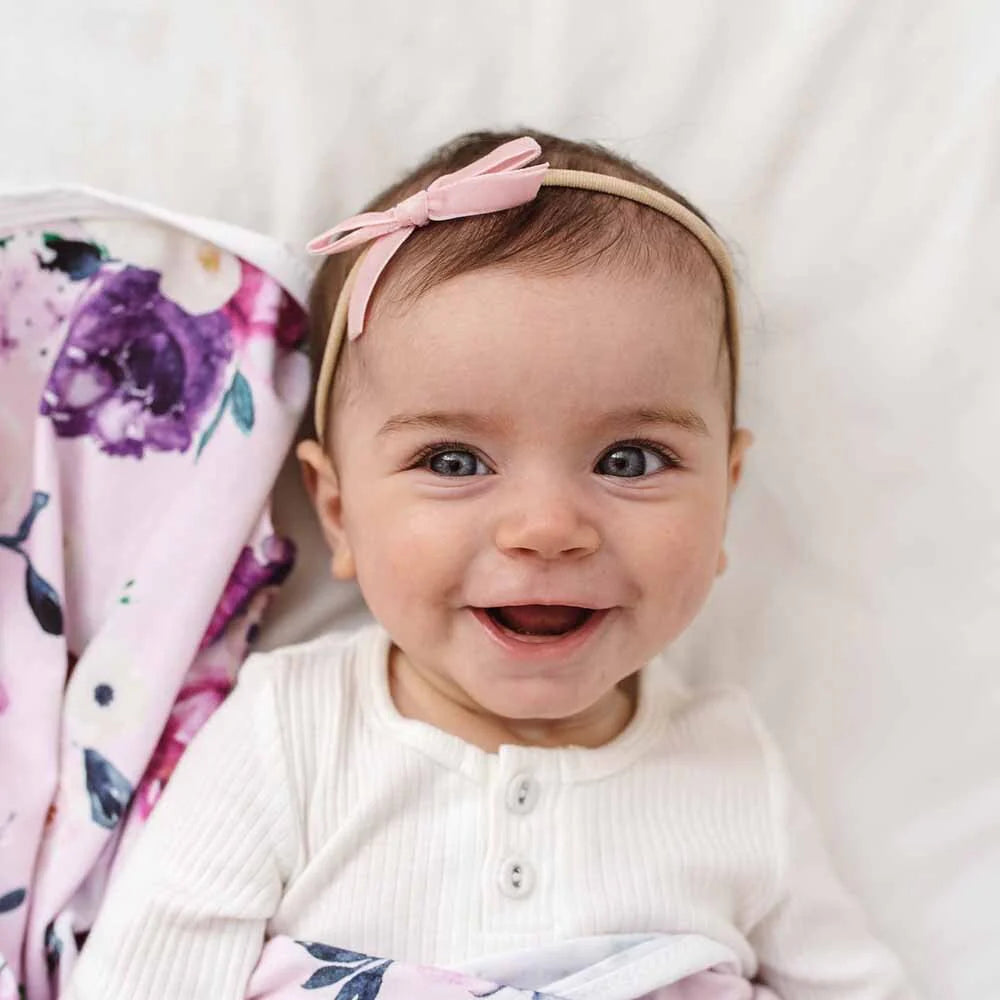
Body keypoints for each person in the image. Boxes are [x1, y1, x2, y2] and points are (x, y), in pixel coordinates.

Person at [66, 130, 915, 999]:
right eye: (454, 462)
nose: (547, 529)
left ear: (725, 495)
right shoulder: (290, 733)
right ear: (338, 512)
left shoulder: (734, 772)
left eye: (628, 460)